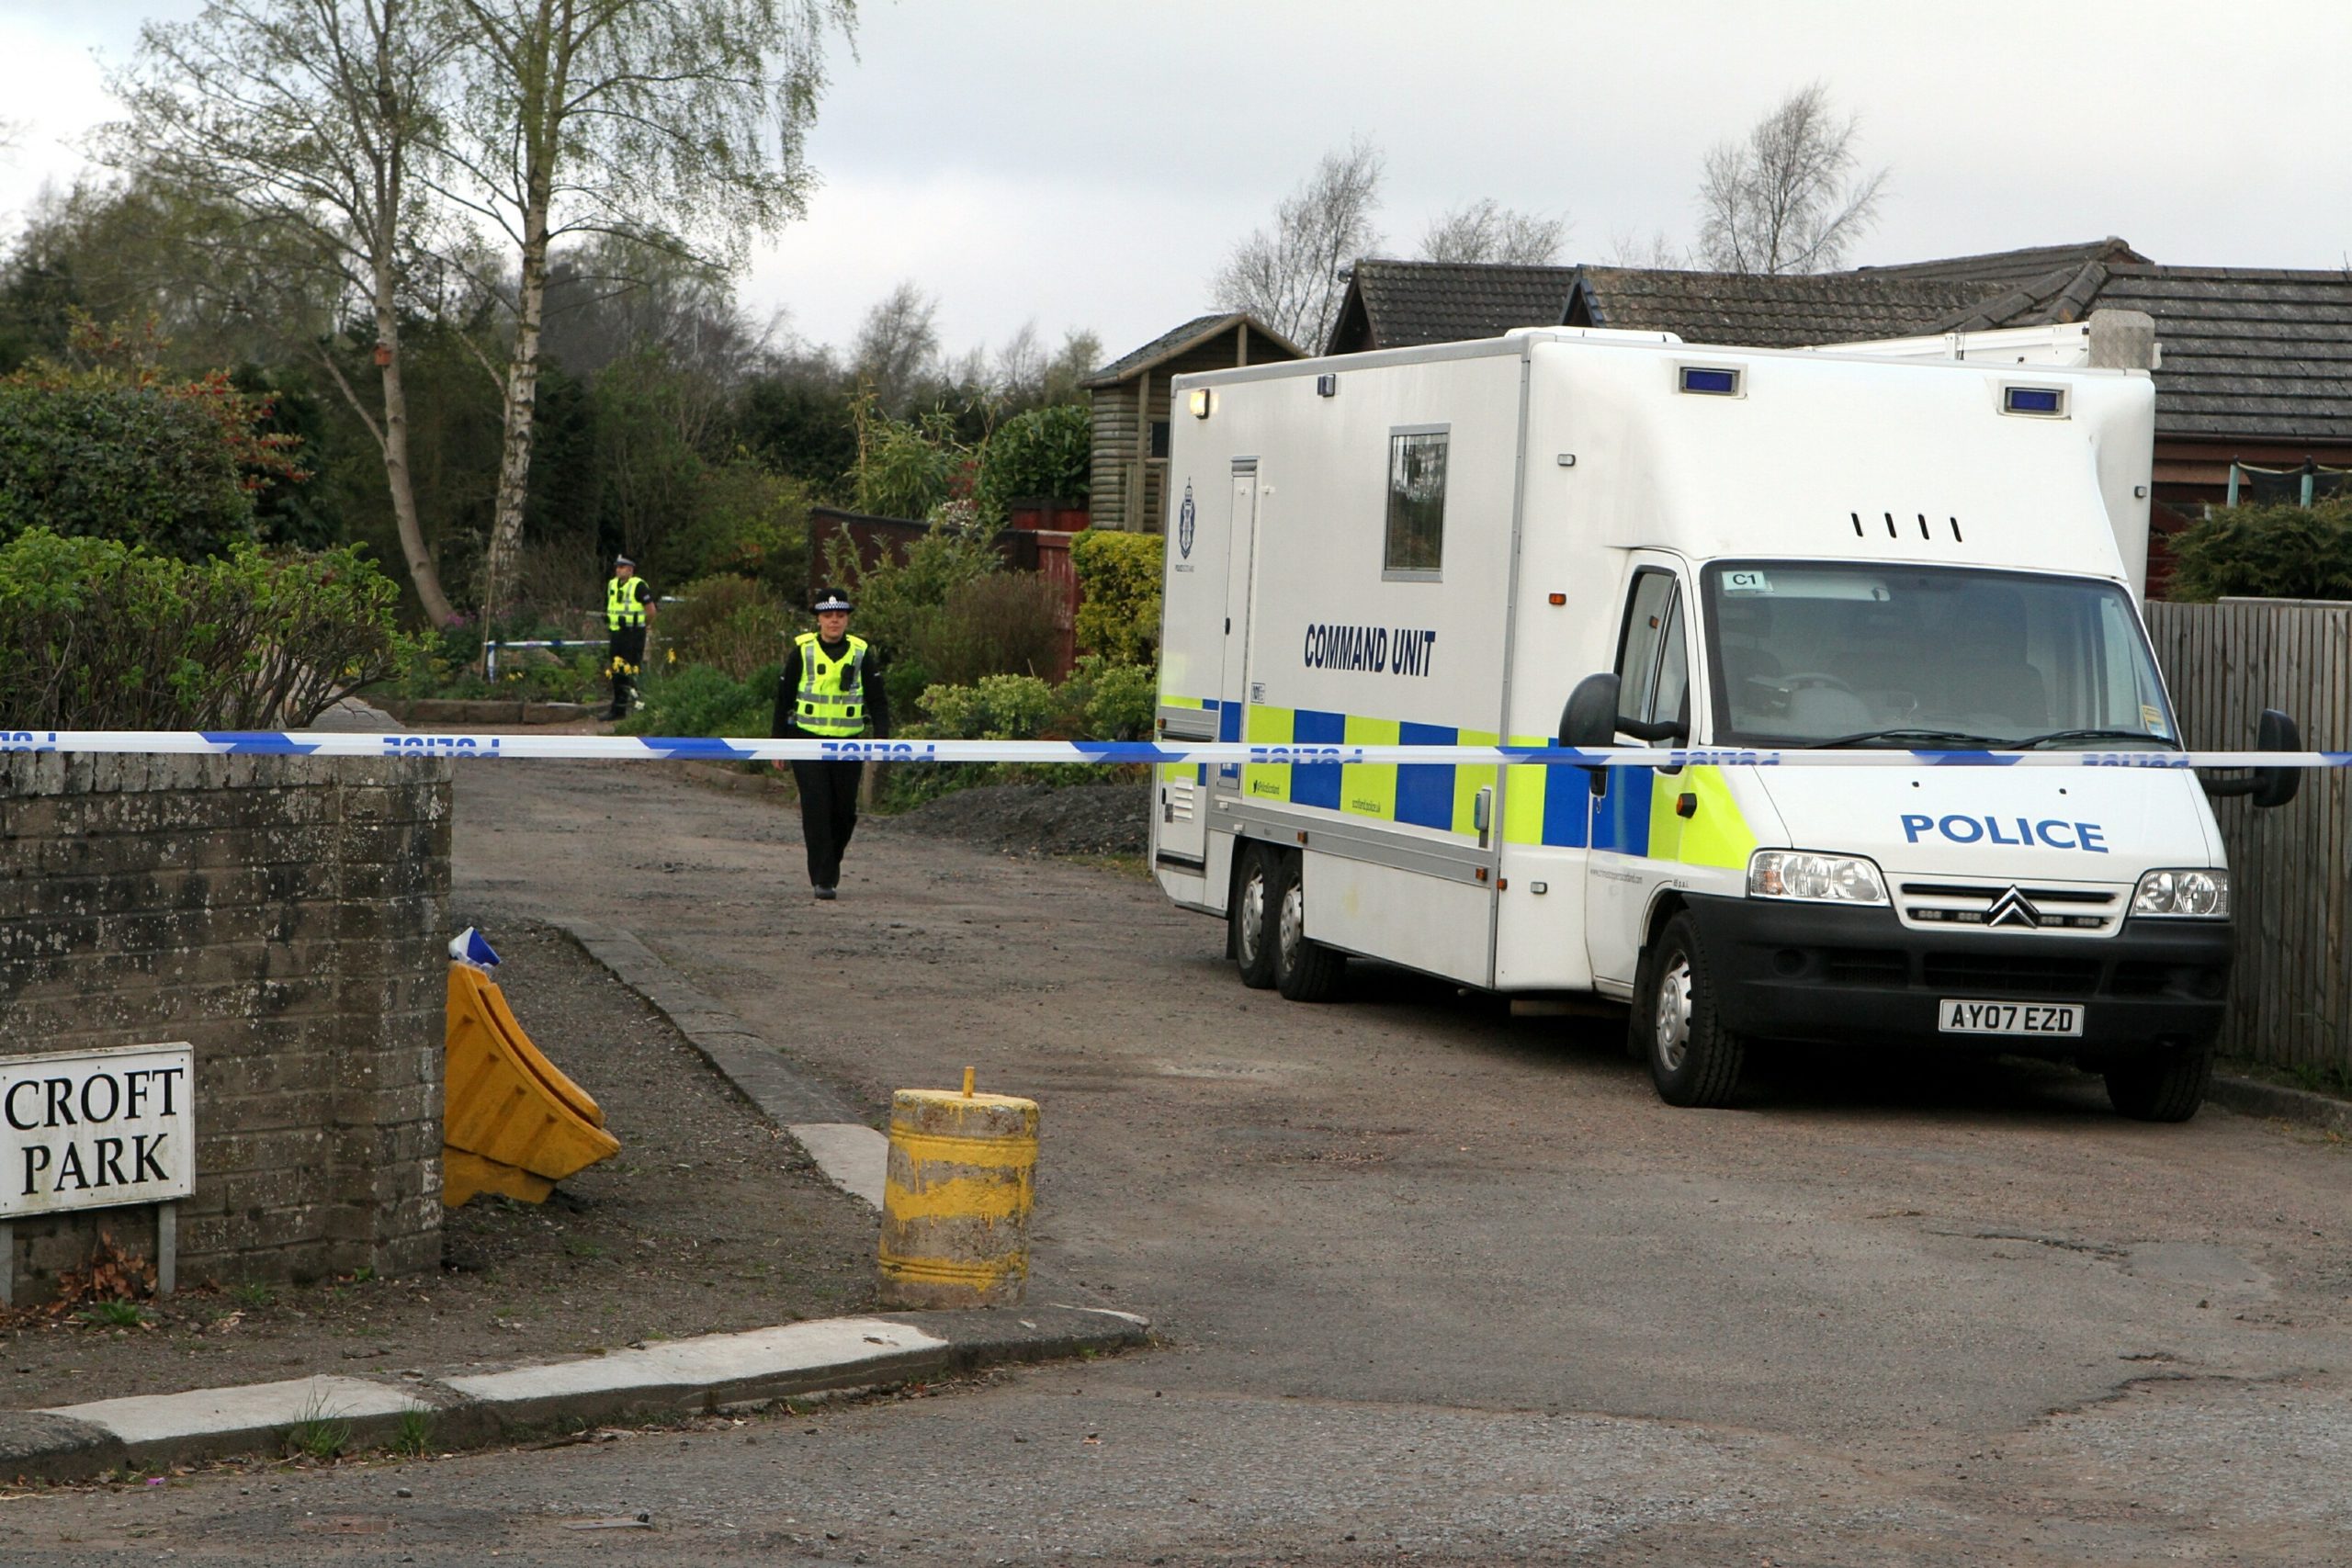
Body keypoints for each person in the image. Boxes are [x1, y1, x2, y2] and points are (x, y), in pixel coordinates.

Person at [772, 587, 890, 899]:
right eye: (828, 616)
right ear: (819, 620)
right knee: (817, 808)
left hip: (848, 743)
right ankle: (823, 879)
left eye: (840, 616)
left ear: (847, 619)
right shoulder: (802, 651)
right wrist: (778, 745)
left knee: (844, 812)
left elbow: (878, 702)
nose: (834, 622)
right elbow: (783, 700)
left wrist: (881, 741)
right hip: (806, 741)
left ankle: (830, 862)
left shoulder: (862, 653)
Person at [605, 555, 653, 719]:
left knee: (632, 670)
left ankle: (640, 708)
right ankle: (618, 710)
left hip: (633, 634)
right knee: (617, 672)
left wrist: (643, 625)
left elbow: (651, 610)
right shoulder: (612, 584)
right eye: (617, 567)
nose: (618, 570)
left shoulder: (638, 585)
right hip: (617, 633)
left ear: (630, 570)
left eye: (622, 567)